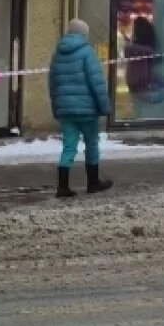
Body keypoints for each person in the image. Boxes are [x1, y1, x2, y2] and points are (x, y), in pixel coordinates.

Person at [48, 19, 113, 199]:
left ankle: (63, 186)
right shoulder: (87, 52)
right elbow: (97, 83)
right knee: (91, 144)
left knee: (69, 146)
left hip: (66, 111)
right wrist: (105, 107)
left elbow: (52, 84)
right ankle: (93, 182)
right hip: (87, 110)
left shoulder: (57, 54)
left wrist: (56, 107)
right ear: (84, 33)